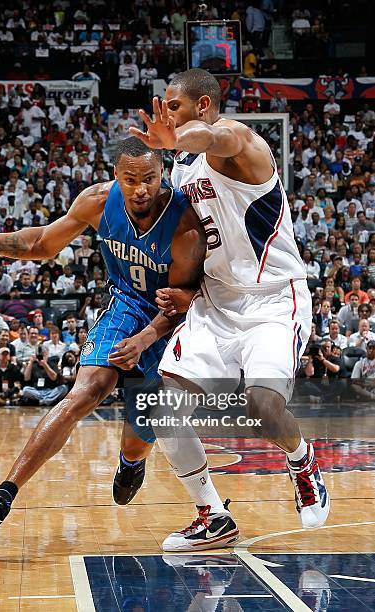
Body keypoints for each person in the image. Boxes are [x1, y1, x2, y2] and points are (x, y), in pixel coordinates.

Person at [0, 137, 222, 547]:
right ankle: (2, 496)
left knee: (138, 441)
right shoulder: (99, 201)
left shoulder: (184, 226)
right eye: (131, 179)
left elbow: (181, 301)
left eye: (150, 179)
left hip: (167, 325)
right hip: (123, 310)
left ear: (163, 176)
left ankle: (131, 462)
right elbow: (40, 244)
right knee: (85, 392)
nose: (141, 189)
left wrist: (144, 338)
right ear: (116, 175)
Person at [129, 68, 330, 549]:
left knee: (263, 406)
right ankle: (212, 514)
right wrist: (188, 289)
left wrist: (179, 135)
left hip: (274, 300)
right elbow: (202, 241)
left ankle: (301, 459)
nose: (167, 117)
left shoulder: (239, 140)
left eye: (174, 108)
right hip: (216, 301)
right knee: (164, 407)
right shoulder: (181, 170)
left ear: (201, 106)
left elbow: (210, 136)